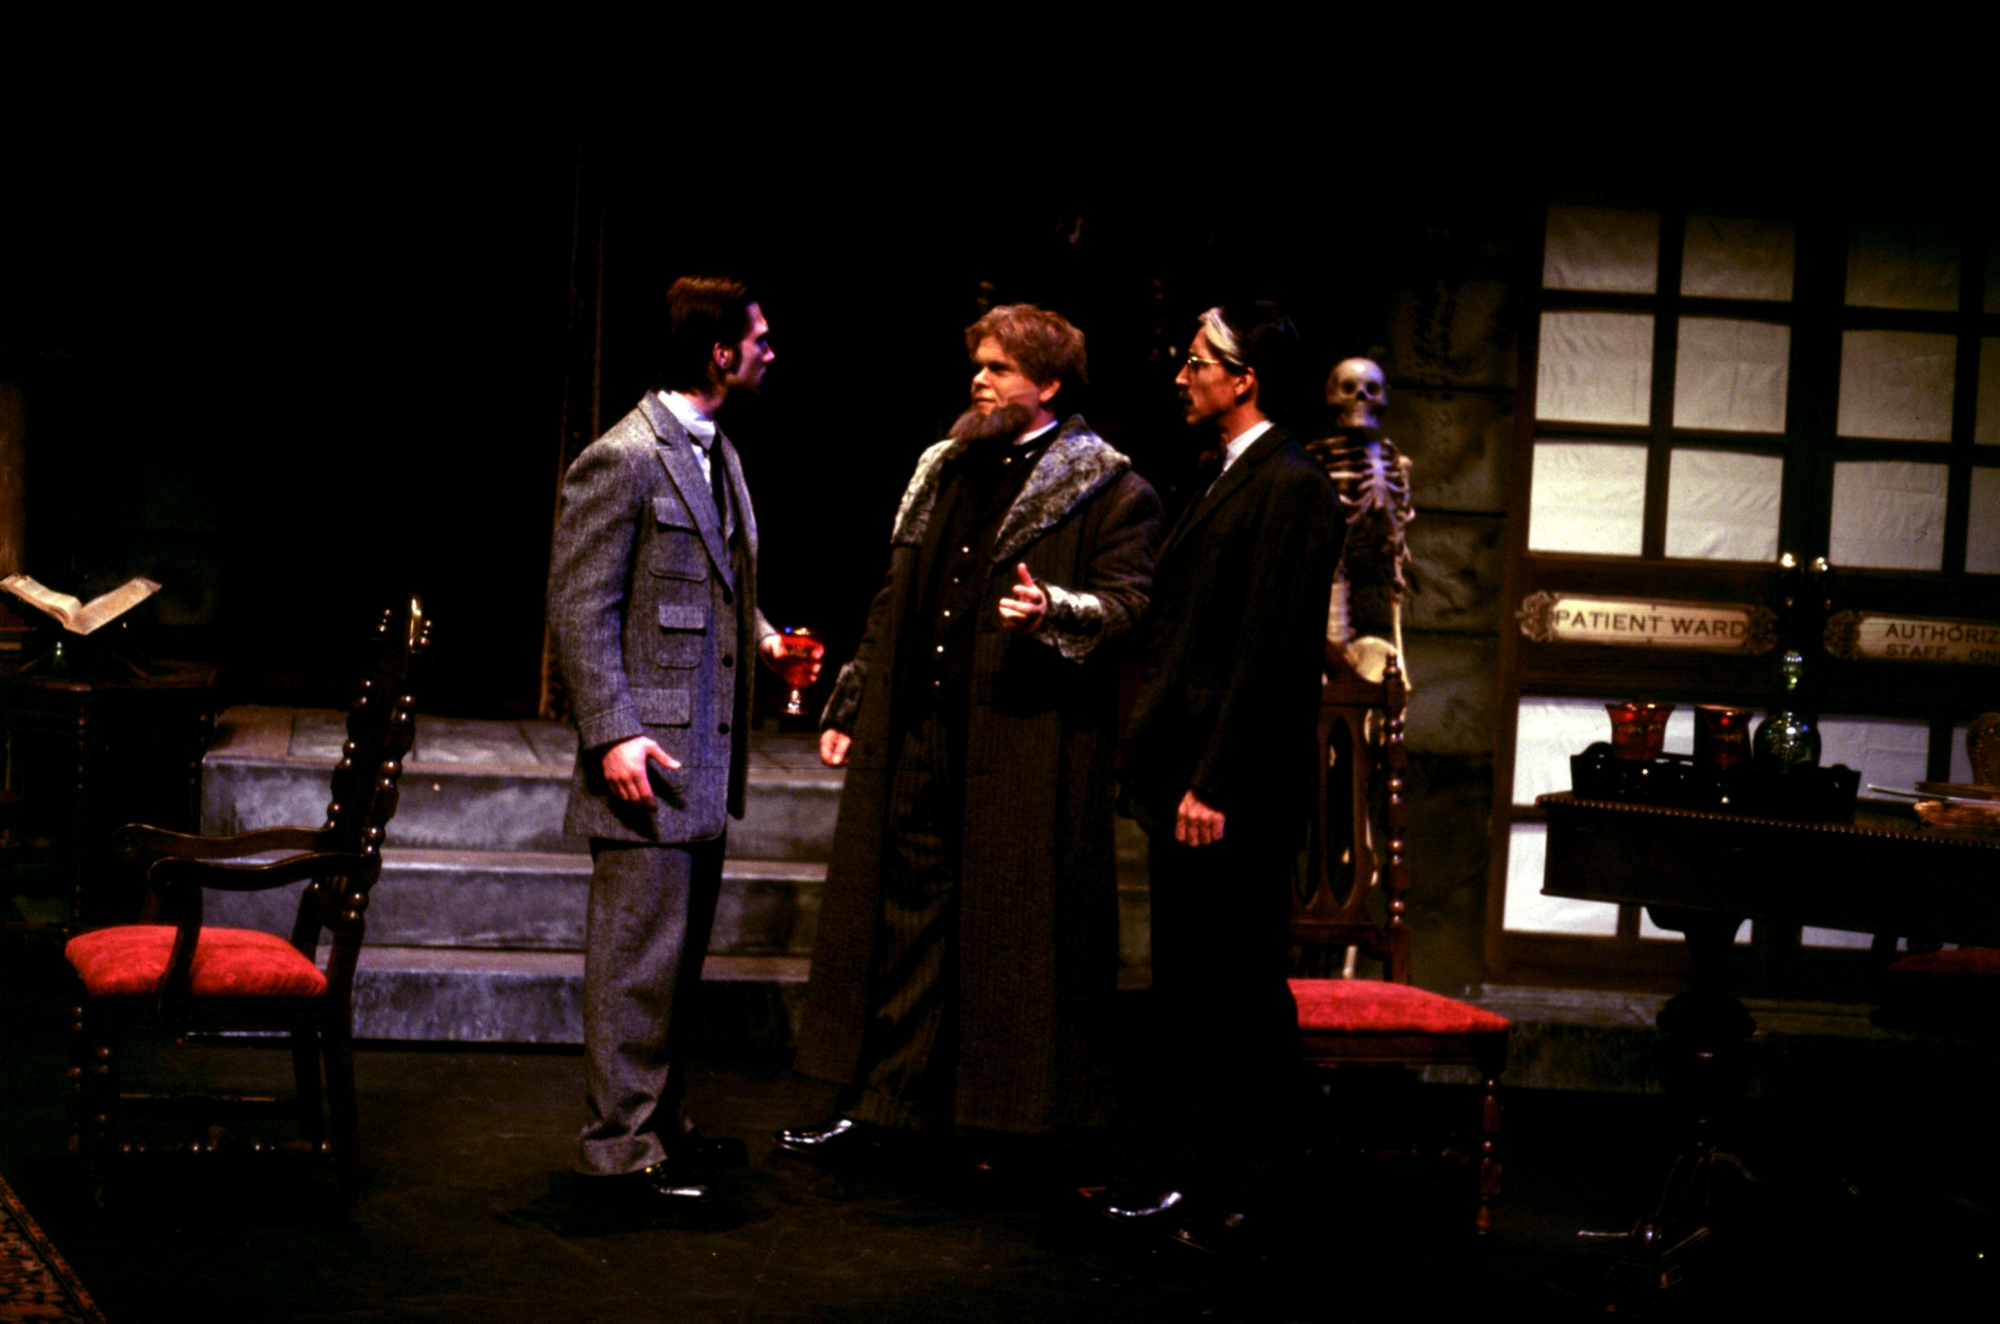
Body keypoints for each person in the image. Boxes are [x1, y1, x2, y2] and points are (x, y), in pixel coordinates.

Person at [781, 304, 1161, 1156]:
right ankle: (887, 1105)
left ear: (1048, 384)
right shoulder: (943, 467)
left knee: (1009, 933)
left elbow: (1133, 607)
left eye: (998, 369)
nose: (979, 381)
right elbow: (894, 595)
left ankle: (1004, 1120)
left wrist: (1055, 609)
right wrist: (853, 704)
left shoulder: (1110, 488)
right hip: (922, 732)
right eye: (979, 365)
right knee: (906, 919)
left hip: (1024, 742)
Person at [547, 275, 802, 1201]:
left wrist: (766, 642)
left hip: (702, 751)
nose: (770, 353)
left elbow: (718, 580)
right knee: (636, 960)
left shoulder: (716, 451)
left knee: (676, 959)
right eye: (759, 340)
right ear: (719, 353)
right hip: (647, 755)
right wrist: (612, 733)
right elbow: (580, 608)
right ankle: (617, 1148)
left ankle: (660, 1124)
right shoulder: (622, 458)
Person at [1108, 302, 1343, 1249]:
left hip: (1229, 790)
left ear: (1244, 379)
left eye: (1198, 361)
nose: (1181, 375)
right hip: (1184, 777)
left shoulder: (1293, 487)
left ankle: (1252, 1188)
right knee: (1188, 986)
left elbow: (1270, 655)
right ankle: (1195, 1174)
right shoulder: (1222, 473)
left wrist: (1214, 782)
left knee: (1238, 990)